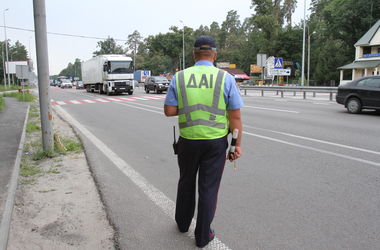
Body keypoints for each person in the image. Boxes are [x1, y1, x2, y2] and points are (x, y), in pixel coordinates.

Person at [164, 35, 243, 248]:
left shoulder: (179, 77)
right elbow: (235, 118)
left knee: (186, 182)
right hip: (215, 143)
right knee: (208, 188)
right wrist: (236, 145)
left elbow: (169, 111)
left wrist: (190, 109)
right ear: (215, 55)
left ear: (193, 54)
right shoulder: (225, 78)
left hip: (188, 141)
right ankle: (202, 236)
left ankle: (182, 224)